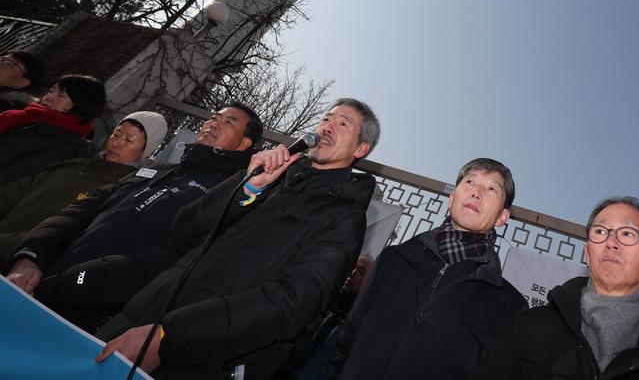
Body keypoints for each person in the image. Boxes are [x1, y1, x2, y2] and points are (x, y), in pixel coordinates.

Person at [95, 98, 380, 380]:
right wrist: (247, 187)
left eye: (343, 124)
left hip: (200, 358)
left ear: (360, 148)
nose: (328, 127)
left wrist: (170, 336)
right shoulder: (270, 178)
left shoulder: (345, 217)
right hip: (140, 320)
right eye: (326, 119)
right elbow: (185, 232)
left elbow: (291, 303)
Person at [5, 103, 261, 333]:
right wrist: (31, 256)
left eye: (229, 122)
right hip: (31, 282)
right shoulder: (155, 170)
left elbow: (163, 263)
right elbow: (79, 211)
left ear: (243, 145)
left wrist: (70, 283)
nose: (214, 123)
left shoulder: (226, 196)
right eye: (214, 117)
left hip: (81, 319)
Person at [471, 196, 639, 380]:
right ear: (587, 253)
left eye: (628, 234)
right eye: (601, 231)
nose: (611, 242)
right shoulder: (530, 326)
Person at [334, 157, 526, 380]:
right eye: (470, 182)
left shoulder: (508, 306)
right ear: (452, 198)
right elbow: (348, 340)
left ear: (503, 217)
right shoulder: (393, 259)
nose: (477, 192)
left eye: (492, 188)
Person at [0, 110, 169, 263]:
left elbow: (69, 239)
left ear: (144, 152)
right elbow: (10, 195)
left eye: (129, 140)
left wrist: (10, 245)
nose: (117, 143)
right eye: (116, 135)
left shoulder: (123, 193)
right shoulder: (73, 167)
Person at [277, 255, 374, 380]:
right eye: (352, 267)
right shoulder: (321, 307)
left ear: (371, 283)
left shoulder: (358, 329)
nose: (352, 273)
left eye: (360, 271)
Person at [0, 74, 107, 185]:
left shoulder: (64, 148)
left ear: (81, 105)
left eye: (60, 95)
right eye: (51, 91)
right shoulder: (26, 118)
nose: (49, 97)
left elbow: (13, 179)